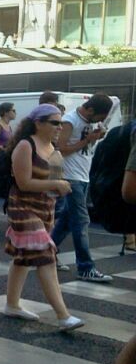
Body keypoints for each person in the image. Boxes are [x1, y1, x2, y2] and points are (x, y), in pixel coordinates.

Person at [3, 104, 84, 331]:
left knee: (23, 258)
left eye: (60, 123)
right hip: (22, 208)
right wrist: (56, 183)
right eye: (55, 122)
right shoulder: (25, 145)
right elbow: (23, 183)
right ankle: (63, 315)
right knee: (45, 257)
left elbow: (52, 190)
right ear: (38, 123)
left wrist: (61, 187)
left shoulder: (54, 150)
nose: (60, 127)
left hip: (45, 209)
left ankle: (12, 305)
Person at [51, 93, 114, 282]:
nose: (99, 121)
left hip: (83, 174)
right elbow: (60, 148)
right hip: (71, 176)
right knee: (81, 221)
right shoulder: (70, 120)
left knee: (66, 220)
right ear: (91, 109)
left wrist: (95, 137)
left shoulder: (87, 120)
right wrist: (88, 140)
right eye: (99, 118)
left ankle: (46, 251)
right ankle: (85, 267)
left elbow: (84, 147)